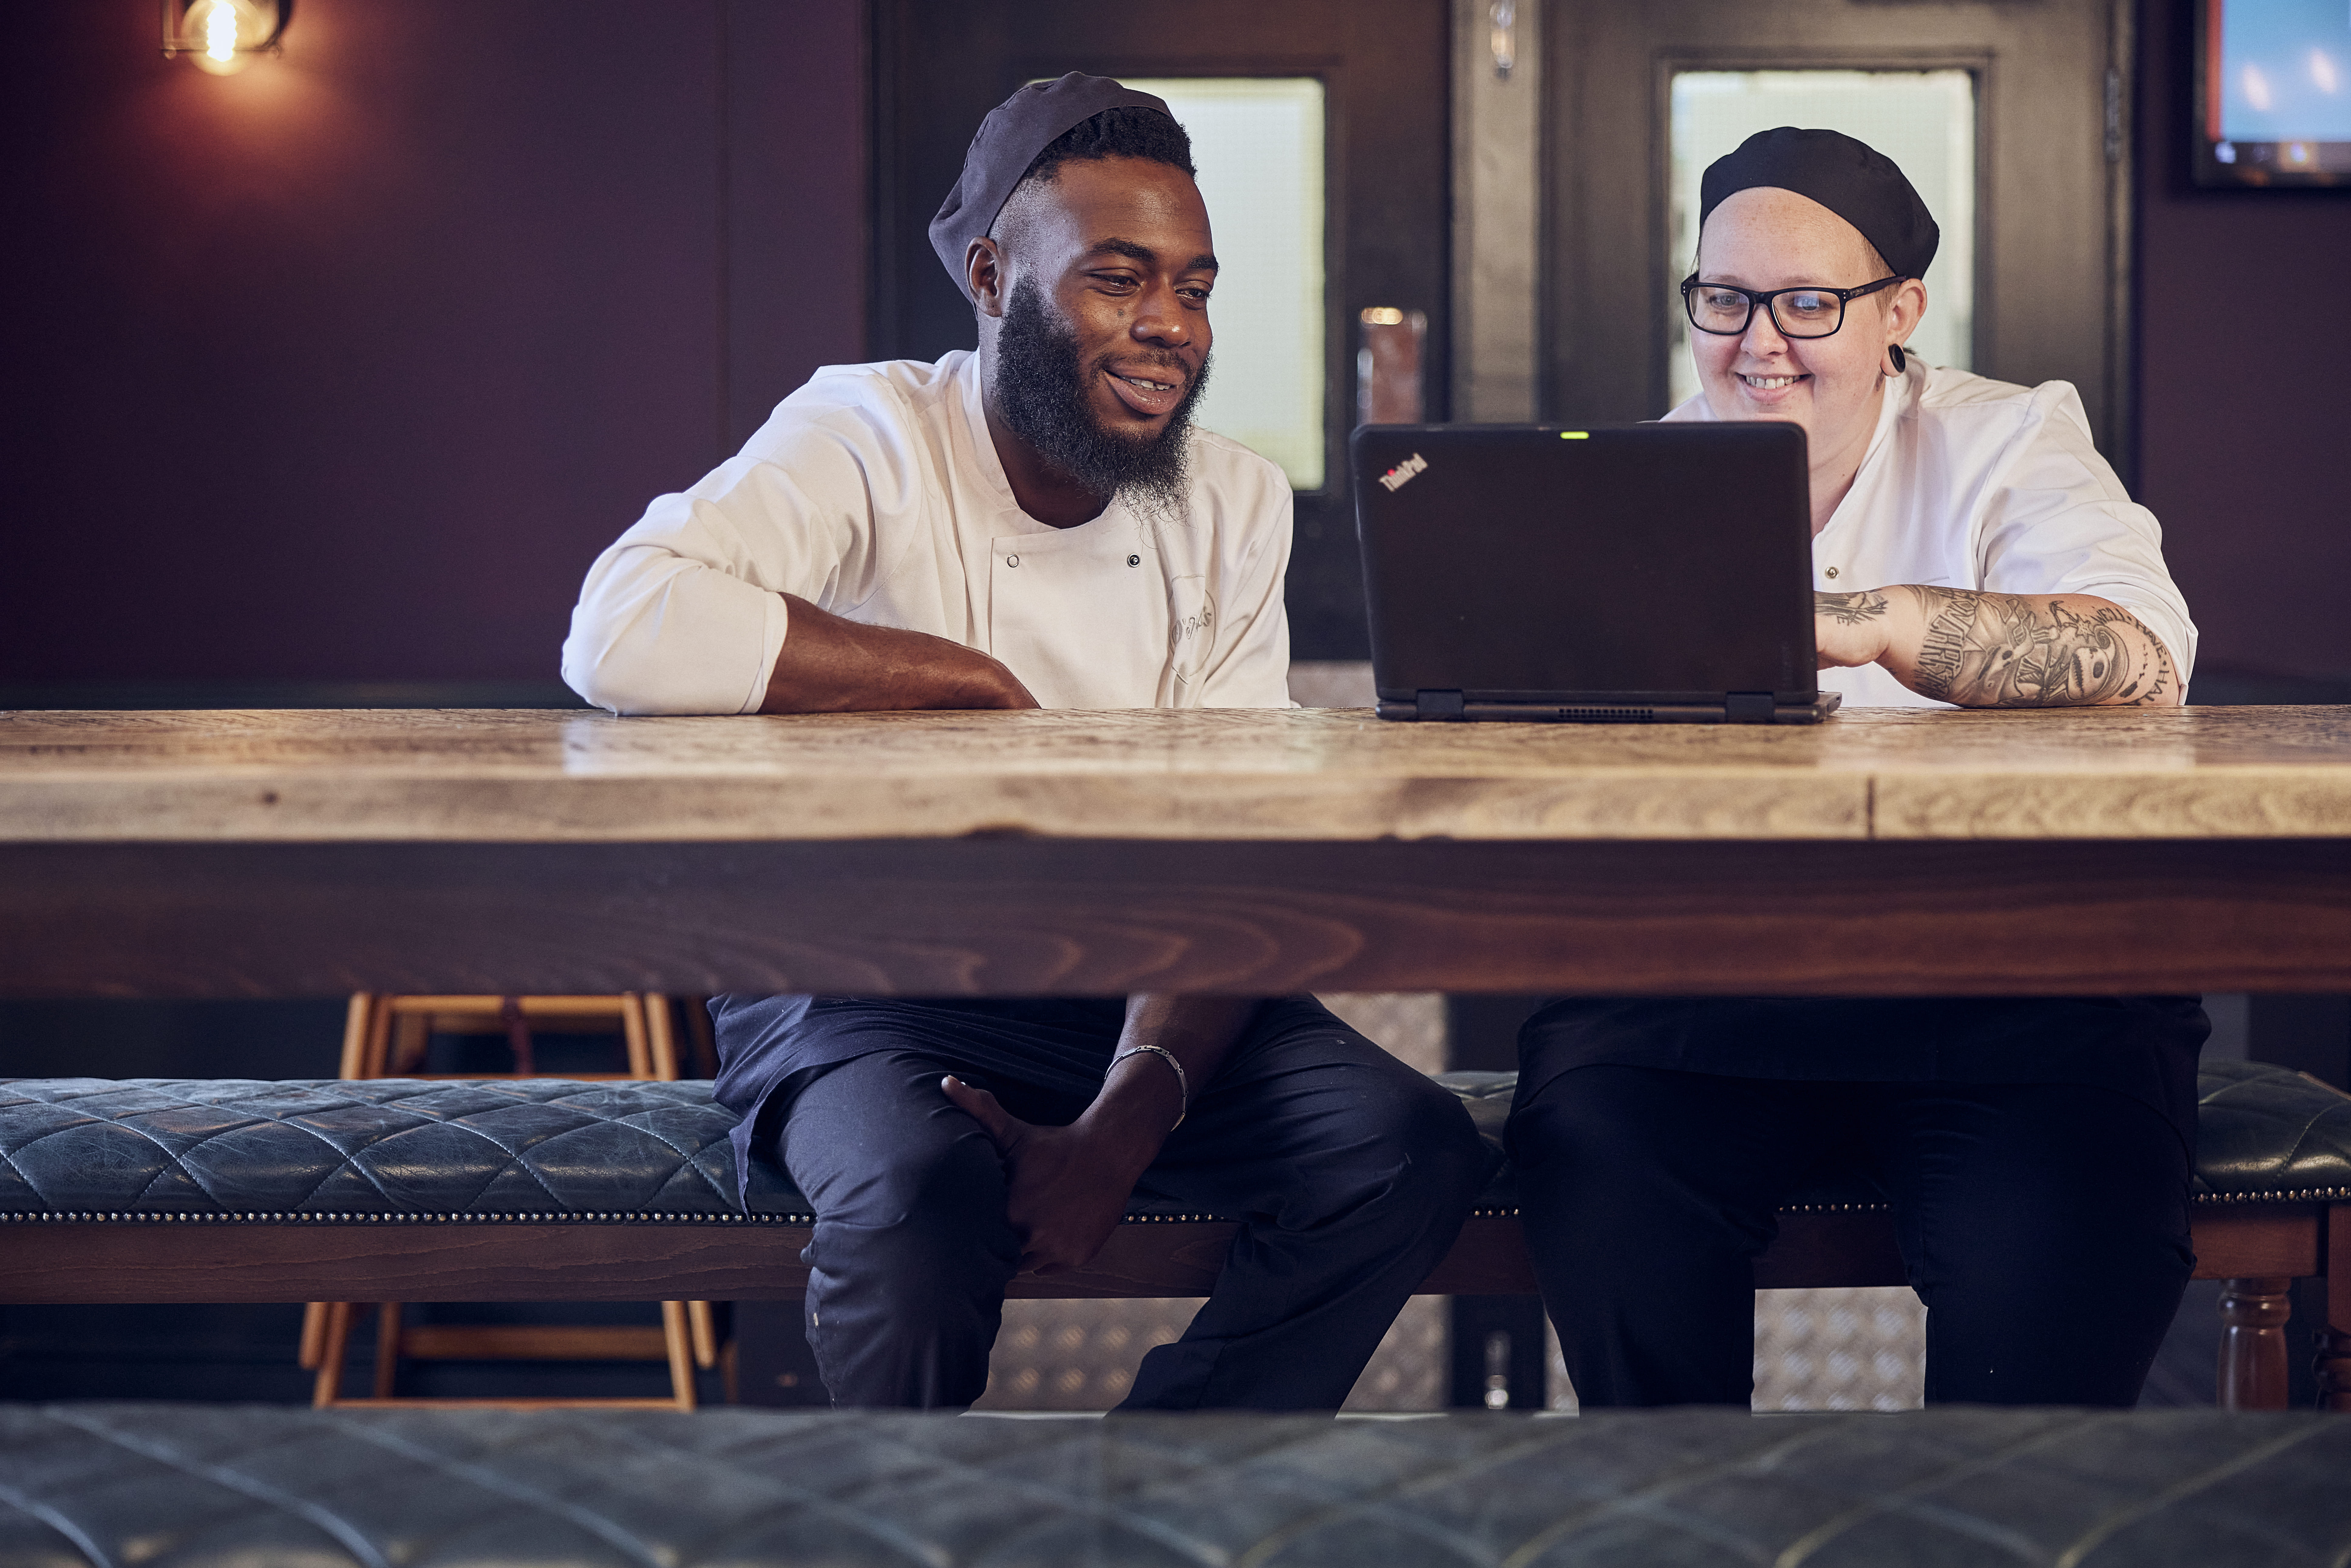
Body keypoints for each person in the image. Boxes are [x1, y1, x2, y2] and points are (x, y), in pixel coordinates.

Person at [561, 74, 1490, 1411]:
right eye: (1117, 280)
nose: (1166, 326)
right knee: (917, 1200)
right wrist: (961, 684)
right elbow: (622, 622)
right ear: (993, 278)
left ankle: (1149, 1500)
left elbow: (1236, 847)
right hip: (862, 978)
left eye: (1193, 285)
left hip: (1134, 981)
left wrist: (1128, 1117)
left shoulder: (1227, 496)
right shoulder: (867, 434)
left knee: (1408, 1148)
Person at [1507, 127, 2208, 1409]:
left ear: (1899, 311)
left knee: (2043, 1305)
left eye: (1808, 303)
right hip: (1715, 988)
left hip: (2015, 989)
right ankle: (1675, 1512)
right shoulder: (1633, 478)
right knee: (1591, 1134)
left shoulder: (2011, 440)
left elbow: (2141, 654)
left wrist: (1873, 619)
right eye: (1723, 299)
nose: (1757, 342)